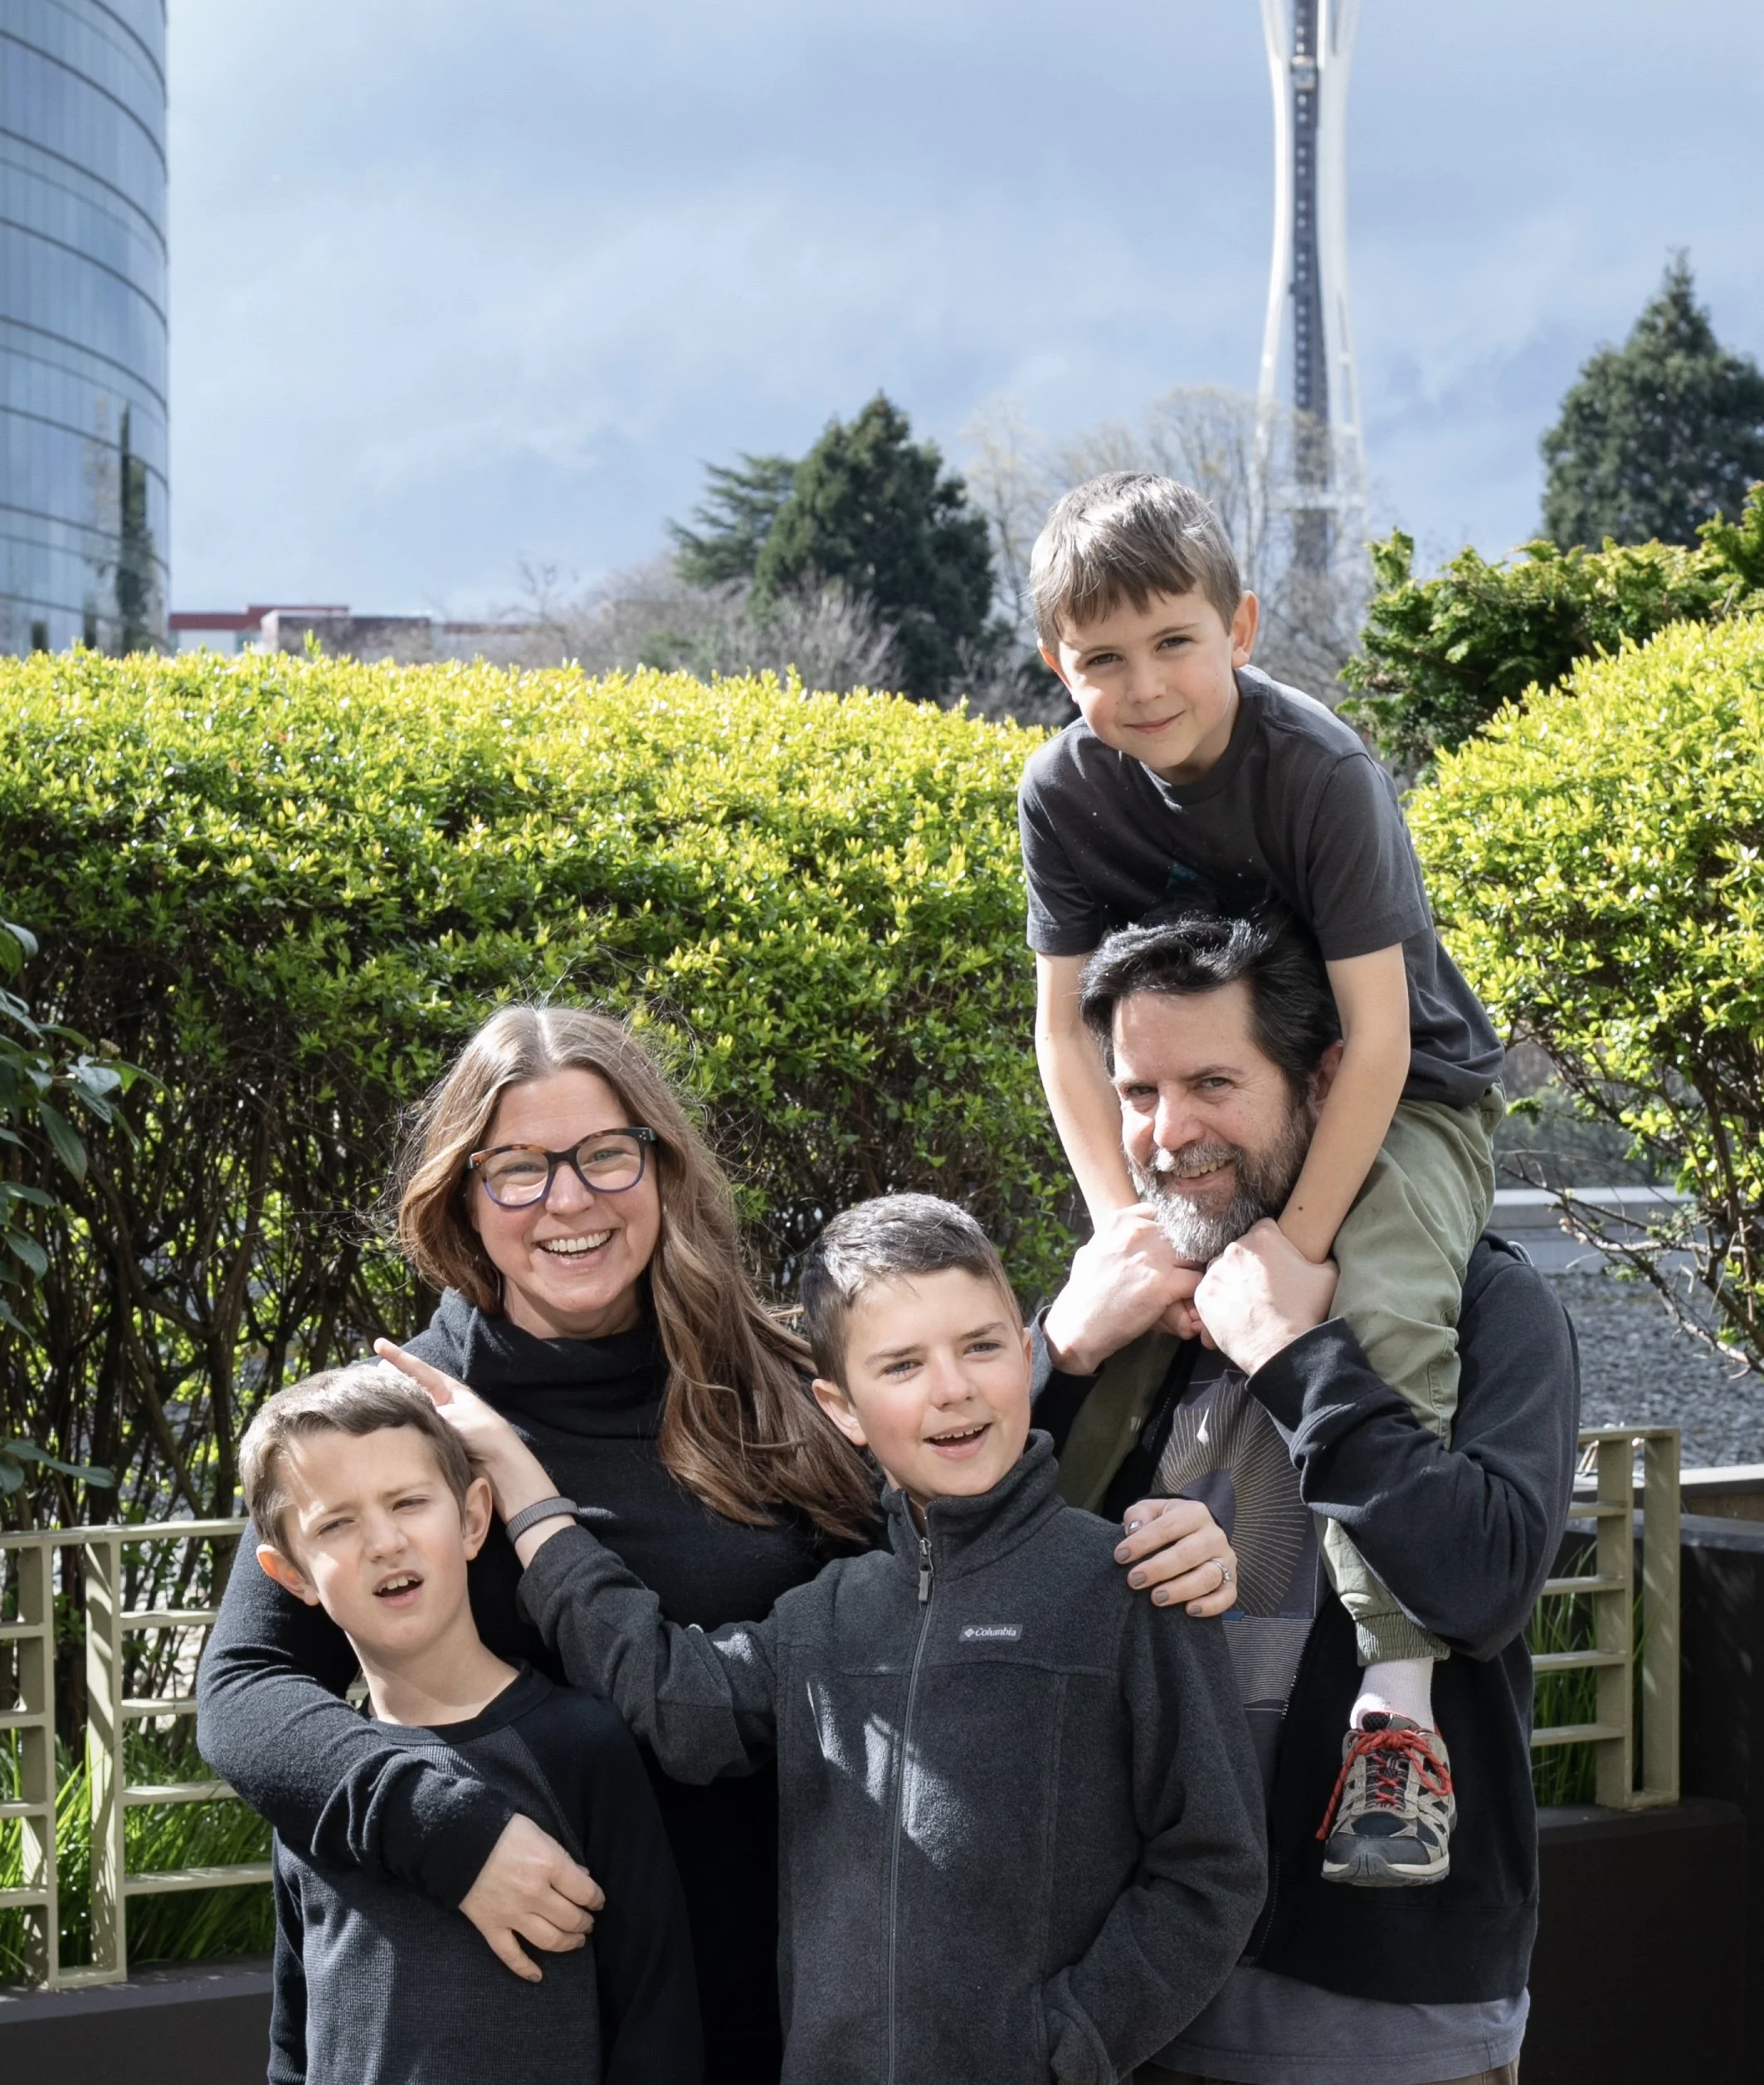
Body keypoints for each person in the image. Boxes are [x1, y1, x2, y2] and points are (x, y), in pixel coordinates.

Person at [382, 1191, 1270, 2085]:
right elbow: (674, 1699)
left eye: (981, 1345)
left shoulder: (1128, 1579)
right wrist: (526, 1490)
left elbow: (1212, 1869)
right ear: (840, 1408)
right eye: (901, 1364)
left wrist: (1068, 2043)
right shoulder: (823, 1616)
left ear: (1024, 1348)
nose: (952, 1386)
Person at [200, 1006, 877, 2085]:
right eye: (516, 1168)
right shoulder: (397, 1416)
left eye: (605, 1155)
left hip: (785, 2017)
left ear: (660, 1166)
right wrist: (446, 1828)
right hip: (508, 2031)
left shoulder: (783, 1384)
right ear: (466, 1195)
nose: (568, 1199)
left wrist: (1157, 1531)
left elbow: (942, 1570)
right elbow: (245, 1689)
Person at [1019, 471, 1509, 1883]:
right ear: (1060, 668)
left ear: (1235, 626)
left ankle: (1395, 1712)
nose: (1143, 682)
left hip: (1400, 1093)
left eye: (1173, 641)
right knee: (1115, 1328)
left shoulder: (1317, 773)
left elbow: (1377, 1036)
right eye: (1101, 658)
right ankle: (1030, 1645)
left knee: (1380, 1307)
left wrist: (1293, 1248)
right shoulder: (1061, 788)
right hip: (1205, 1098)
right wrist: (1125, 1223)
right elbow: (1066, 1029)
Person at [1033, 909, 1578, 2085]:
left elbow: (1480, 1580)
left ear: (1323, 1081)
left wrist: (1294, 1358)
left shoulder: (1485, 1305)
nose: (1166, 1134)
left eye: (1212, 1082)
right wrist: (1052, 1360)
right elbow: (946, 1570)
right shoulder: (1127, 1317)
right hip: (1120, 1998)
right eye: (1136, 1091)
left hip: (1382, 2022)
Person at [241, 1362, 699, 2085]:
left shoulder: (582, 1744)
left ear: (475, 1516)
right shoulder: (314, 1784)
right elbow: (292, 2038)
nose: (385, 1541)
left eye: (408, 1502)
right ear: (291, 1574)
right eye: (337, 1522)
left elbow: (656, 2017)